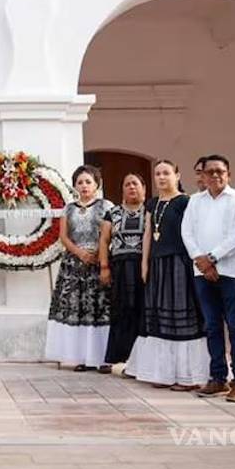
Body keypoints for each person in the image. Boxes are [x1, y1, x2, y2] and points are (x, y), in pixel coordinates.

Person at [125, 160, 208, 390]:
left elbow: (193, 233)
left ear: (177, 175)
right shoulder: (152, 203)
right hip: (157, 264)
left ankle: (187, 376)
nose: (161, 177)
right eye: (158, 173)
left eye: (166, 173)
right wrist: (144, 263)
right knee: (158, 317)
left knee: (181, 317)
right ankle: (162, 373)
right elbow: (147, 234)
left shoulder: (185, 202)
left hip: (179, 263)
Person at [181, 154, 235, 402]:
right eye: (209, 171)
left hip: (231, 272)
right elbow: (187, 232)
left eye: (219, 171)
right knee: (212, 326)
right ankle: (218, 377)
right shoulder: (195, 201)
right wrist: (201, 261)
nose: (214, 175)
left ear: (228, 174)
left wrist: (211, 258)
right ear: (202, 175)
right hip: (202, 272)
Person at [45, 165, 114, 373]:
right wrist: (80, 253)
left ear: (97, 184)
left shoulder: (106, 206)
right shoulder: (68, 209)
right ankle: (82, 357)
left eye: (88, 182)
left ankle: (104, 359)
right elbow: (63, 237)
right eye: (80, 182)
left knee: (99, 310)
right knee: (78, 310)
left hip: (99, 262)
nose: (84, 186)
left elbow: (110, 233)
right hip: (74, 266)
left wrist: (99, 254)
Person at [99, 173, 147, 368]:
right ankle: (116, 357)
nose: (131, 187)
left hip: (144, 268)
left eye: (135, 184)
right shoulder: (113, 213)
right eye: (127, 184)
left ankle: (140, 361)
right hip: (120, 268)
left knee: (143, 310)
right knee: (121, 310)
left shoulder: (151, 211)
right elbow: (104, 240)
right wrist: (104, 266)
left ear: (144, 188)